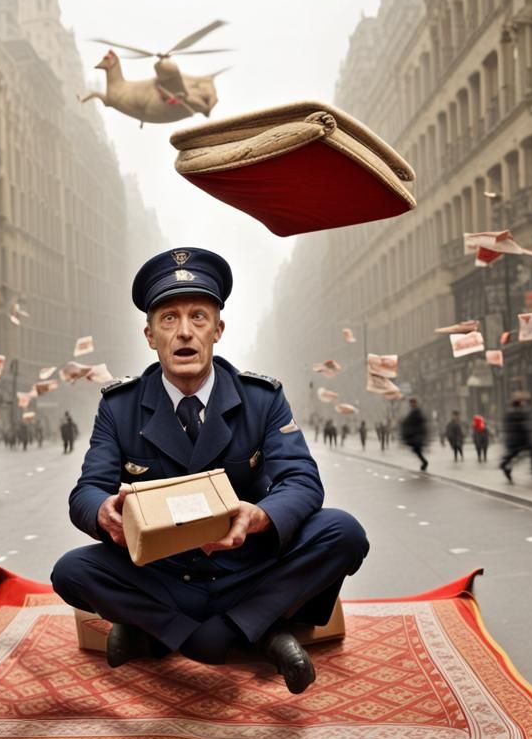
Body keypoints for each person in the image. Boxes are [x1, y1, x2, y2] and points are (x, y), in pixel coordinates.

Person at [52, 247, 369, 694]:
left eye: (199, 317)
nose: (184, 332)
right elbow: (87, 490)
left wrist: (259, 517)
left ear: (218, 330)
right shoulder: (119, 407)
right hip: (163, 574)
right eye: (169, 319)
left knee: (343, 532)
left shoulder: (262, 398)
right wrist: (102, 509)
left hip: (249, 567)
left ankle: (178, 634)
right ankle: (260, 631)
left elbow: (301, 479)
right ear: (149, 335)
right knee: (71, 572)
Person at [400, 397, 428, 471]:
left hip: (417, 434)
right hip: (415, 434)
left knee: (417, 450)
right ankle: (424, 463)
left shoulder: (416, 411)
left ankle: (424, 463)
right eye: (411, 403)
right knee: (417, 450)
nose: (412, 404)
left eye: (413, 403)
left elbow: (419, 421)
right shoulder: (414, 411)